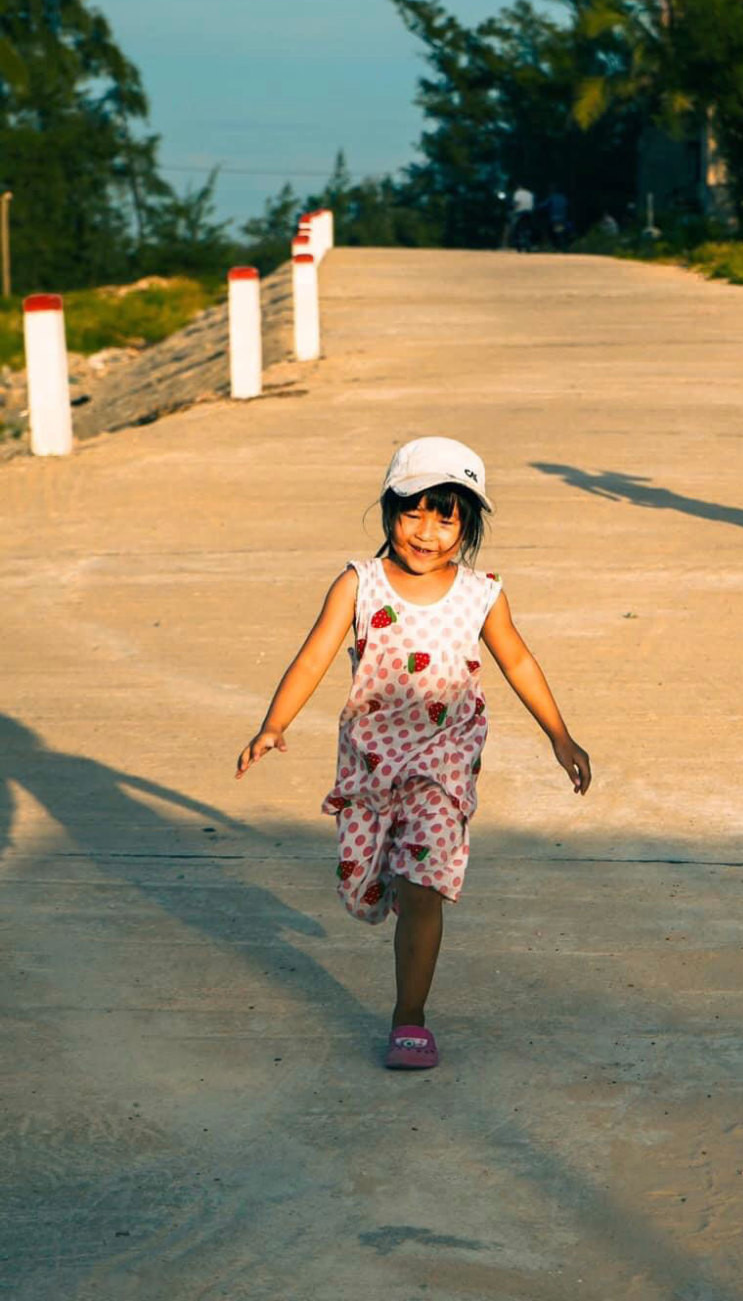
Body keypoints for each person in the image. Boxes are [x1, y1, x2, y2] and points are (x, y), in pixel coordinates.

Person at [235, 435, 592, 1069]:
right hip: (371, 761)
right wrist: (274, 723)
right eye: (412, 512)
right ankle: (397, 877)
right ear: (388, 511)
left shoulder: (482, 594)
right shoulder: (359, 583)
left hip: (445, 758)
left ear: (469, 524)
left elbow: (518, 660)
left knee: (424, 884)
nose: (426, 532)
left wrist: (559, 734)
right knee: (363, 890)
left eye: (445, 517)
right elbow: (315, 654)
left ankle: (410, 1019)